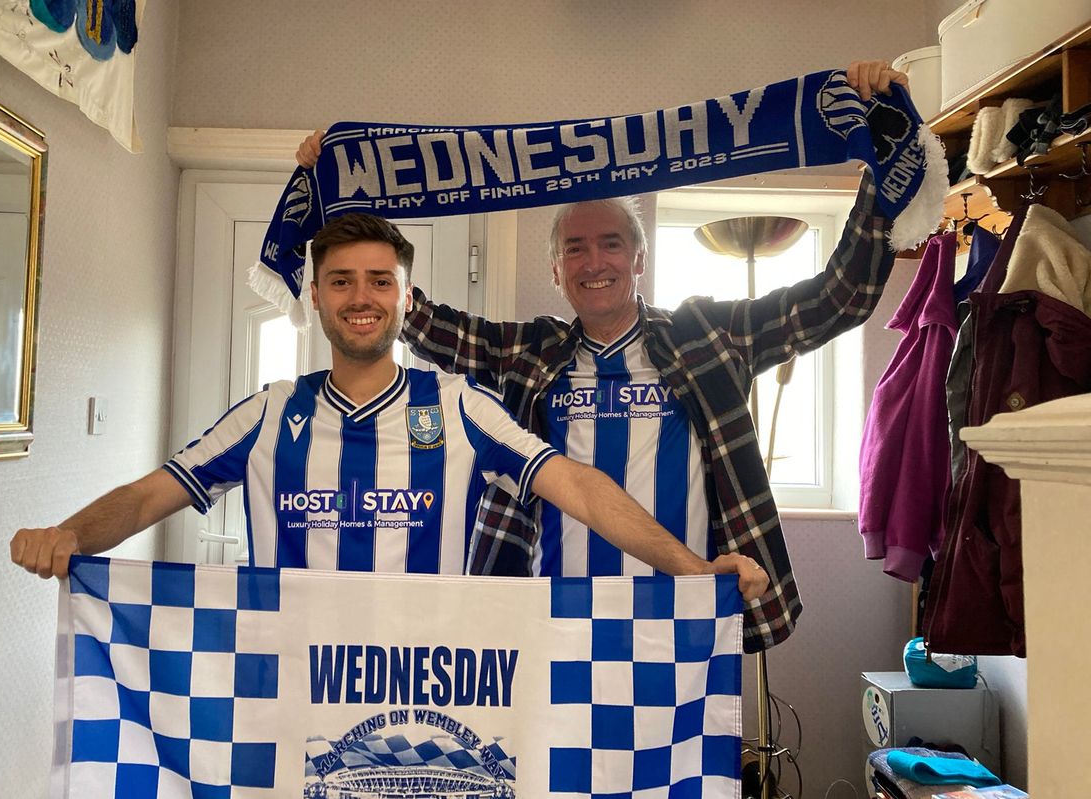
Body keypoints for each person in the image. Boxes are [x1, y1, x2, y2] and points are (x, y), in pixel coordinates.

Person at [295, 60, 906, 652]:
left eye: (611, 245)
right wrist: (341, 199)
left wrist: (878, 162)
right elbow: (417, 315)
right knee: (559, 760)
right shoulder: (530, 353)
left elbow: (838, 298)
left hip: (682, 614)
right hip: (551, 622)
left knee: (675, 761)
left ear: (638, 259)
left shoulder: (708, 335)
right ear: (555, 269)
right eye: (575, 249)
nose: (594, 263)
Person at [11, 212, 768, 601]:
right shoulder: (270, 412)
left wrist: (693, 568)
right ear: (314, 299)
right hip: (289, 694)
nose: (361, 297)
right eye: (341, 281)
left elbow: (579, 488)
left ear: (407, 298)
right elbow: (150, 494)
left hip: (433, 699)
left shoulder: (461, 405)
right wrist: (70, 532)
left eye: (380, 280)